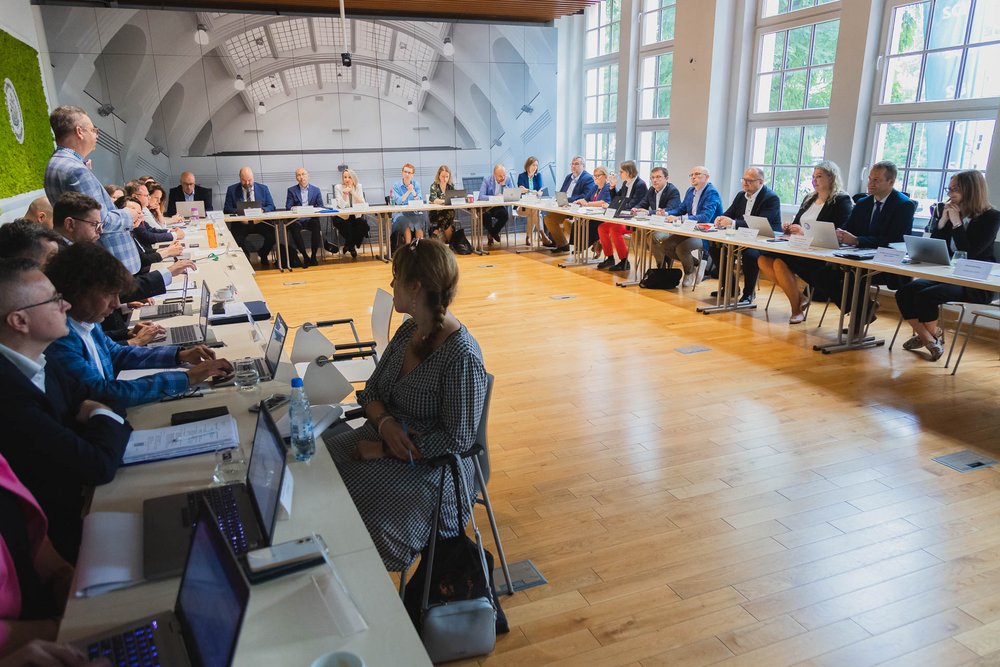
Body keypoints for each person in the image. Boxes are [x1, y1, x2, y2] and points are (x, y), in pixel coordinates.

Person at [325, 238, 488, 573]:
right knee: (315, 466)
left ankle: (353, 584)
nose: (390, 284)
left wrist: (386, 448)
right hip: (390, 442)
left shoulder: (461, 355)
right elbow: (370, 393)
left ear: (415, 288)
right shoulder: (409, 331)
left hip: (435, 473)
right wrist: (385, 426)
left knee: (336, 503)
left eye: (395, 276)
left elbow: (458, 442)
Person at [0, 258, 131, 562]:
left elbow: (107, 398)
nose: (65, 306)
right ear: (19, 321)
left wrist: (98, 412)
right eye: (54, 300)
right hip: (61, 543)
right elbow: (97, 464)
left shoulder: (45, 359)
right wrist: (100, 414)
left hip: (88, 507)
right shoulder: (9, 394)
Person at [44, 243, 233, 411]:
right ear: (79, 291)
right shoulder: (61, 338)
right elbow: (104, 393)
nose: (117, 304)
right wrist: (187, 378)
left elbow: (116, 353)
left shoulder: (85, 322)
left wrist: (179, 355)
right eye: (110, 294)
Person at [895, 170, 999, 361]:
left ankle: (928, 339)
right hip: (949, 275)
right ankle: (930, 338)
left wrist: (957, 224)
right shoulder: (950, 211)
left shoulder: (991, 217)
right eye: (949, 189)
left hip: (976, 280)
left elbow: (970, 253)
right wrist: (942, 223)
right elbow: (936, 248)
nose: (950, 194)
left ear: (971, 190)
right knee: (905, 292)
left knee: (926, 296)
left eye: (955, 189)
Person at [43, 106, 142, 274]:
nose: (95, 134)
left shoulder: (55, 164)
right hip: (107, 260)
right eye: (93, 129)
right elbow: (98, 221)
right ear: (79, 132)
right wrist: (128, 214)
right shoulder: (76, 170)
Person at [758, 160, 854, 324]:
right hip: (799, 246)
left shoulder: (841, 200)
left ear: (831, 178)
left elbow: (836, 232)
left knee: (780, 263)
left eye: (819, 176)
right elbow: (798, 222)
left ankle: (796, 308)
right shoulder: (810, 198)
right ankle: (800, 298)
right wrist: (790, 228)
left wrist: (803, 232)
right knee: (763, 259)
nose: (814, 180)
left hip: (820, 251)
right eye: (813, 177)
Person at [0, 451, 75, 654]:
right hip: (23, 651)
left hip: (52, 625)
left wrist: (63, 576)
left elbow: (25, 534)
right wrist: (61, 629)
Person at [710, 167, 782, 304]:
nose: (745, 183)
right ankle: (730, 287)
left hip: (764, 239)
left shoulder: (771, 198)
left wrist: (733, 223)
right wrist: (720, 218)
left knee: (750, 254)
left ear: (761, 182)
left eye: (749, 180)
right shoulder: (740, 195)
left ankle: (748, 294)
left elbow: (759, 224)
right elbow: (729, 213)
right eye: (744, 180)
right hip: (742, 236)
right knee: (715, 247)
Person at [660, 166, 725, 288]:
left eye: (697, 174)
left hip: (707, 233)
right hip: (690, 229)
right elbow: (682, 208)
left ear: (707, 177)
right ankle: (695, 264)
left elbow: (706, 217)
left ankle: (689, 272)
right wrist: (667, 213)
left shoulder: (712, 192)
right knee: (666, 245)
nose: (693, 177)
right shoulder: (691, 191)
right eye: (692, 175)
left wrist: (680, 219)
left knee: (682, 248)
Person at [223, 167, 277, 266]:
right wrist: (239, 211)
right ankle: (246, 258)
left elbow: (271, 206)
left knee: (273, 235)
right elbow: (227, 208)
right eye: (244, 180)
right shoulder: (232, 190)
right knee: (237, 239)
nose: (247, 183)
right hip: (241, 223)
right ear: (240, 178)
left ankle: (263, 253)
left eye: (250, 180)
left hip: (261, 222)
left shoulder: (263, 188)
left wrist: (263, 210)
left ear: (253, 177)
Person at [545, 156, 597, 252]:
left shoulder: (588, 178)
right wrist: (559, 199)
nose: (573, 166)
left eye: (576, 164)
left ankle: (583, 244)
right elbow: (562, 192)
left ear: (583, 166)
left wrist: (568, 200)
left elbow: (585, 196)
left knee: (568, 223)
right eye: (572, 164)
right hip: (565, 206)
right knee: (549, 218)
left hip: (577, 209)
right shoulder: (569, 177)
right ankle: (563, 244)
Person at [285, 167, 325, 266]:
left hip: (310, 218)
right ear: (296, 178)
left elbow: (320, 206)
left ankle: (314, 256)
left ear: (308, 175)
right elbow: (288, 207)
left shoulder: (316, 190)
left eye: (303, 174)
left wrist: (312, 210)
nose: (301, 177)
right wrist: (296, 209)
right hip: (297, 220)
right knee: (293, 228)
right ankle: (305, 256)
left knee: (316, 225)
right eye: (298, 175)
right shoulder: (291, 190)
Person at [332, 168, 370, 259]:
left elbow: (362, 203)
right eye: (345, 177)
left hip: (355, 216)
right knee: (348, 226)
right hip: (341, 217)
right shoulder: (338, 187)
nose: (347, 179)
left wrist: (352, 192)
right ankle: (352, 247)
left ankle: (348, 245)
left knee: (364, 225)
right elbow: (341, 206)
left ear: (353, 178)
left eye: (349, 177)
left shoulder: (358, 186)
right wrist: (345, 194)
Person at [477, 164, 515, 246]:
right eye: (500, 176)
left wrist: (504, 186)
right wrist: (494, 197)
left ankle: (492, 233)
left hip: (499, 206)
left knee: (504, 215)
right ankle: (493, 233)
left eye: (504, 175)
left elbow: (511, 194)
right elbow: (481, 196)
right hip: (488, 206)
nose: (502, 178)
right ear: (494, 175)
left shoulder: (507, 180)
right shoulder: (487, 180)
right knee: (485, 216)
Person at [390, 163, 427, 247]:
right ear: (402, 172)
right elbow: (399, 201)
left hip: (413, 213)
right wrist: (408, 191)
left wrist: (413, 191)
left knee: (419, 222)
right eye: (405, 172)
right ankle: (407, 249)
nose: (407, 174)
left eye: (409, 172)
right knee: (406, 223)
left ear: (413, 174)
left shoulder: (416, 184)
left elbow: (419, 201)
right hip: (400, 214)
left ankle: (420, 248)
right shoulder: (396, 185)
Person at [517, 156, 546, 244]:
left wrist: (537, 192)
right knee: (535, 212)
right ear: (528, 166)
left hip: (535, 204)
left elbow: (540, 190)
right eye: (533, 165)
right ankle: (542, 234)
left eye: (536, 165)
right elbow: (521, 190)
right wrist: (533, 191)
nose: (535, 167)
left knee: (533, 212)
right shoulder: (521, 176)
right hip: (523, 206)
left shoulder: (538, 176)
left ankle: (528, 237)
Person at [428, 165, 457, 244]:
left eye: (447, 176)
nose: (445, 179)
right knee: (448, 223)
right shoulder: (434, 186)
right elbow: (434, 200)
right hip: (436, 213)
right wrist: (445, 201)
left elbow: (455, 197)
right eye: (443, 176)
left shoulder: (450, 186)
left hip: (447, 214)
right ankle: (451, 245)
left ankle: (437, 230)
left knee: (450, 212)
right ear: (439, 176)